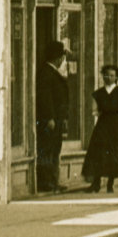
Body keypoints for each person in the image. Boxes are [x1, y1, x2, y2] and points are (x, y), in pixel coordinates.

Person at [82, 64, 118, 193]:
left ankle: (110, 183)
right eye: (106, 75)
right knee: (99, 153)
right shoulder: (98, 94)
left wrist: (117, 113)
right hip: (103, 126)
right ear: (102, 76)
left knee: (114, 153)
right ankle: (96, 183)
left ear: (116, 77)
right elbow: (94, 111)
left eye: (112, 75)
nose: (109, 78)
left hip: (117, 126)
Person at [34, 41, 70, 193]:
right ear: (58, 58)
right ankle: (47, 182)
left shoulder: (52, 72)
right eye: (62, 56)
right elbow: (45, 97)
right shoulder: (47, 73)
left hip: (57, 119)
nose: (63, 60)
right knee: (48, 150)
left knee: (54, 150)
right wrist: (49, 118)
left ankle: (53, 181)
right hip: (51, 120)